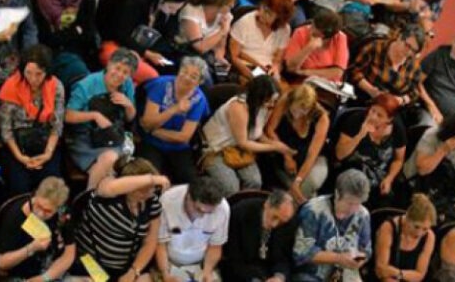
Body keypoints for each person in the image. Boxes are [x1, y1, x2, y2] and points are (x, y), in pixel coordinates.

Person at [71, 156, 168, 280]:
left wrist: (134, 270)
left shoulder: (151, 202)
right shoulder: (106, 194)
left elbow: (150, 241)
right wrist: (152, 179)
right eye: (142, 190)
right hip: (90, 262)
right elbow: (110, 188)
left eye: (152, 188)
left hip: (126, 266)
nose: (149, 194)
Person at [201, 74, 290, 196]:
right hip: (216, 149)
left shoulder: (264, 107)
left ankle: (244, 204)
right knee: (231, 187)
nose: (272, 104)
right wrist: (274, 147)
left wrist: (277, 144)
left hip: (238, 149)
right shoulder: (238, 106)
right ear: (259, 96)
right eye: (269, 100)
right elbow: (243, 142)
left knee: (254, 182)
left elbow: (257, 134)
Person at [65, 47, 138, 189]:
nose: (119, 75)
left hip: (113, 135)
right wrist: (95, 116)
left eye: (125, 72)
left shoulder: (127, 85)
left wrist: (129, 105)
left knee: (110, 169)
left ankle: (91, 196)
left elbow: (130, 118)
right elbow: (68, 116)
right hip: (85, 137)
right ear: (108, 64)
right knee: (110, 161)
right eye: (117, 68)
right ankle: (92, 196)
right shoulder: (87, 84)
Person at [0, 46, 65, 194]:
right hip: (16, 147)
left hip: (45, 144)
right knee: (19, 186)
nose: (33, 79)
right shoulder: (11, 87)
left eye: (38, 74)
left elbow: (57, 126)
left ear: (47, 71)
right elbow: (6, 130)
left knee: (51, 185)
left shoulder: (56, 86)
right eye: (28, 73)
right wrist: (20, 157)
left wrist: (47, 154)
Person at [292, 169, 372, 282]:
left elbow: (366, 250)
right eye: (349, 203)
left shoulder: (363, 215)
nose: (353, 209)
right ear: (337, 194)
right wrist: (338, 258)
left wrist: (357, 259)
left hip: (345, 272)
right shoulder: (314, 211)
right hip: (312, 273)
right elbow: (301, 252)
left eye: (358, 204)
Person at [139, 57, 209, 185]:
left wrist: (155, 131)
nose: (186, 77)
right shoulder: (161, 85)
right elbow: (148, 122)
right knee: (149, 178)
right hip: (151, 143)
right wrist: (175, 109)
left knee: (190, 182)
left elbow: (184, 137)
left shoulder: (199, 100)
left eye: (193, 76)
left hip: (178, 147)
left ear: (199, 82)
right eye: (184, 71)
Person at [404, 112, 455, 222]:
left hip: (441, 191)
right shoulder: (432, 136)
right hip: (415, 184)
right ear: (454, 133)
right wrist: (443, 150)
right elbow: (422, 170)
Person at [332, 94, 408, 208]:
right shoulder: (356, 120)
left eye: (379, 115)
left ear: (389, 119)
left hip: (379, 174)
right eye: (372, 111)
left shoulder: (397, 128)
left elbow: (398, 160)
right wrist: (360, 135)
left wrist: (389, 178)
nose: (373, 116)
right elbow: (339, 154)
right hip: (353, 169)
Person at [0, 176, 76, 280]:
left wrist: (45, 277)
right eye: (38, 206)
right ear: (36, 195)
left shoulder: (62, 214)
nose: (40, 214)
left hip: (52, 269)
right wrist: (31, 248)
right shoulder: (15, 215)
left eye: (48, 211)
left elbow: (69, 253)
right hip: (22, 273)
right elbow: (0, 262)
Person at [35, 0, 98, 86]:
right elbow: (47, 38)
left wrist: (68, 34)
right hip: (52, 53)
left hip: (80, 52)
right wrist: (76, 31)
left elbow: (89, 35)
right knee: (81, 76)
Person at [156, 177, 229, 282]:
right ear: (189, 197)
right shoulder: (167, 201)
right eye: (199, 210)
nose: (202, 216)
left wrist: (207, 271)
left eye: (209, 213)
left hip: (202, 263)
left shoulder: (223, 209)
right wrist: (165, 274)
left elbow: (216, 245)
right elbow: (160, 244)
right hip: (168, 263)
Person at [265, 84, 330, 203]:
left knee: (307, 185)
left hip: (309, 157)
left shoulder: (322, 118)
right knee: (286, 180)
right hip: (283, 150)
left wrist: (298, 181)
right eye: (295, 109)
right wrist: (286, 155)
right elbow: (270, 129)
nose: (298, 114)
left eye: (304, 110)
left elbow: (312, 155)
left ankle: (296, 203)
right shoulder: (286, 100)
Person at [222, 190, 298, 282]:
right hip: (241, 272)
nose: (274, 225)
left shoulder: (289, 223)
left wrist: (279, 277)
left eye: (281, 222)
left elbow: (284, 258)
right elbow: (232, 257)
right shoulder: (241, 213)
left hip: (269, 272)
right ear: (267, 205)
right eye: (274, 217)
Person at [349, 24, 427, 108]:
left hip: (391, 108)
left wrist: (401, 100)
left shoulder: (414, 67)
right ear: (400, 37)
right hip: (364, 97)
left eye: (413, 50)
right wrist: (371, 90)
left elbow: (414, 93)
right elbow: (354, 71)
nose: (408, 52)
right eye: (407, 46)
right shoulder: (376, 47)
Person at [178, 0, 240, 77]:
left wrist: (219, 58)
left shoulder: (226, 16)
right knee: (205, 77)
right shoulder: (191, 12)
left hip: (206, 56)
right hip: (184, 51)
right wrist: (223, 31)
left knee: (223, 75)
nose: (232, 6)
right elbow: (200, 47)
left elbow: (220, 47)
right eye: (229, 4)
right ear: (218, 2)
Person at [229, 0, 293, 82]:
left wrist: (275, 69)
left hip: (267, 69)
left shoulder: (285, 29)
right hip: (245, 67)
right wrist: (253, 75)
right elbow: (234, 57)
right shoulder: (245, 22)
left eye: (269, 13)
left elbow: (277, 59)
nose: (262, 13)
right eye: (263, 8)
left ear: (279, 19)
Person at [372, 193, 436, 282]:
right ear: (407, 218)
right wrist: (405, 275)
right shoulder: (388, 228)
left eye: (425, 229)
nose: (419, 233)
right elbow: (381, 270)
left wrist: (398, 273)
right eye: (416, 227)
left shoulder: (429, 237)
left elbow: (419, 274)